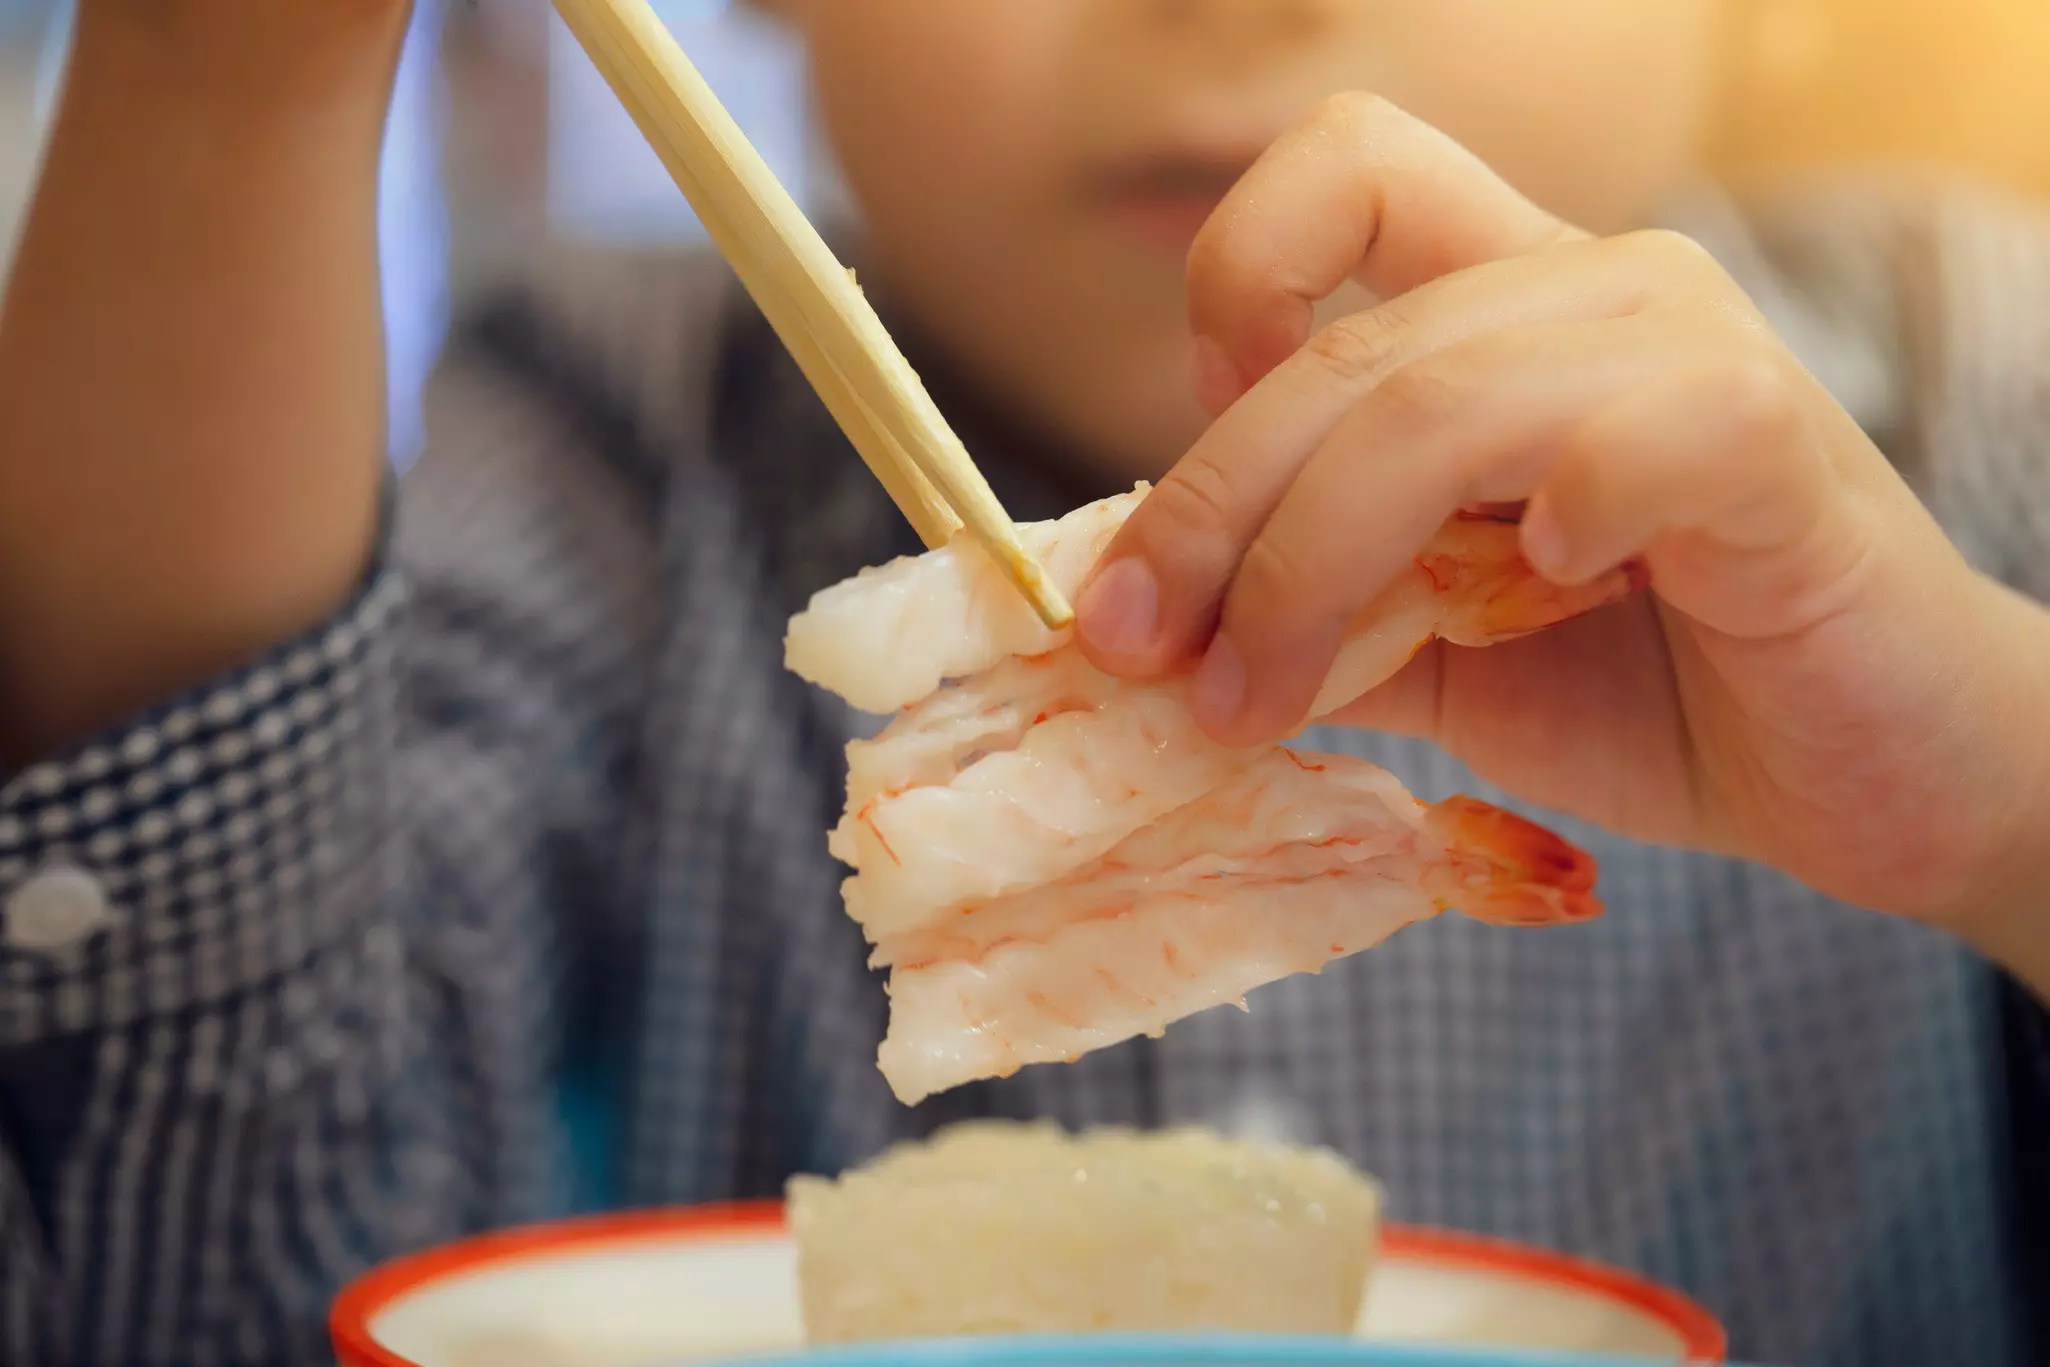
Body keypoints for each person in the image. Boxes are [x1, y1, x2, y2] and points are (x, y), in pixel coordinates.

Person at [0, 1, 2045, 1363]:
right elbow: (192, 1284)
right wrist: (220, 77)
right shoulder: (591, 434)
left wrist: (1999, 811)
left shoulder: (1980, 395)